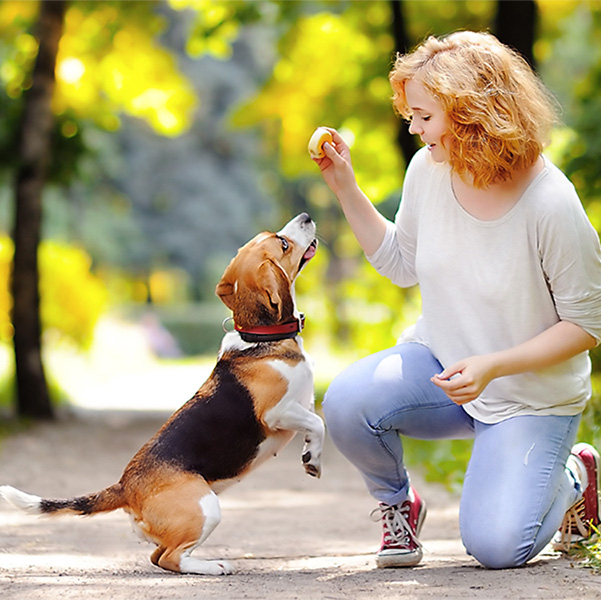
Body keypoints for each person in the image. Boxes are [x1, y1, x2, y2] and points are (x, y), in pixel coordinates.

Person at [311, 30, 601, 570]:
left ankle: (575, 474)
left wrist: (494, 366)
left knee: (495, 548)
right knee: (348, 403)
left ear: (471, 113)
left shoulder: (551, 203)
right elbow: (401, 264)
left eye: (424, 116)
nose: (414, 129)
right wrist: (345, 186)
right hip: (444, 368)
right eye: (411, 115)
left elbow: (587, 323)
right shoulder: (428, 169)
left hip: (528, 395)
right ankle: (399, 509)